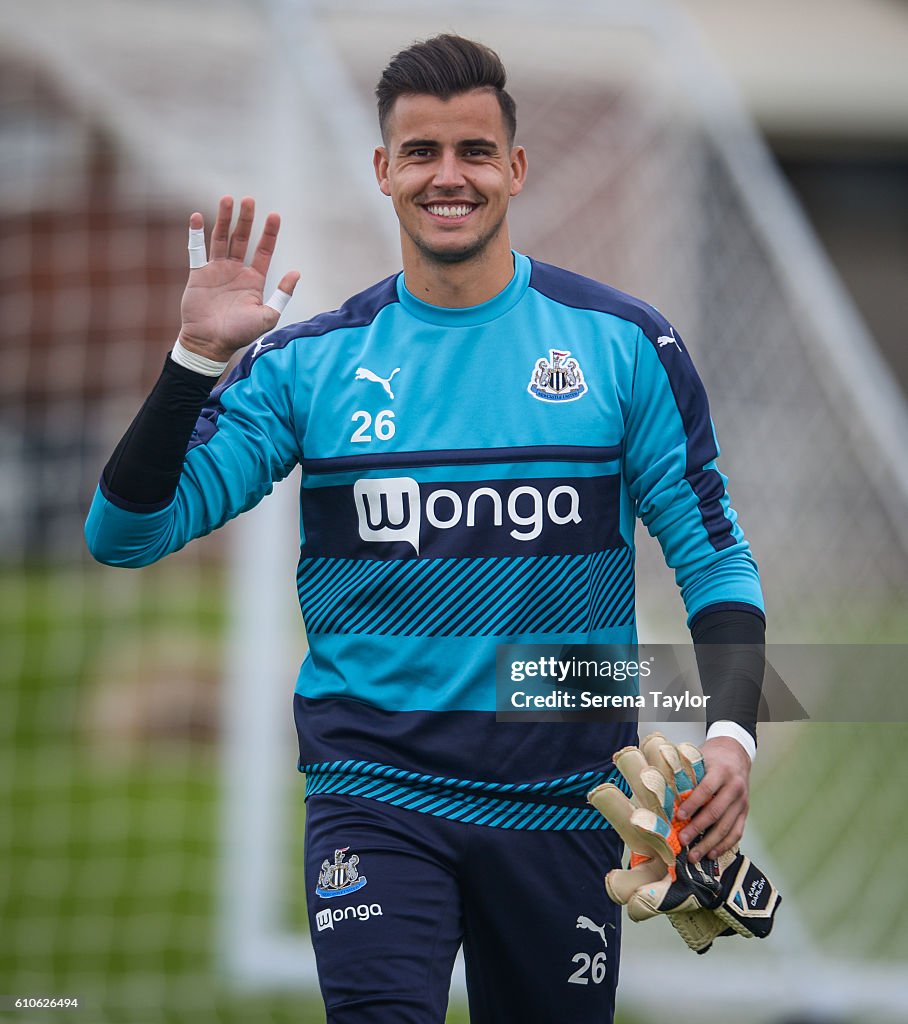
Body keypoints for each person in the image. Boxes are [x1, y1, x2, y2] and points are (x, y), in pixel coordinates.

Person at [85, 34, 766, 1024]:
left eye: (473, 151)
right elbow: (126, 533)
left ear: (515, 169)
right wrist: (194, 359)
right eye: (420, 153)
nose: (448, 176)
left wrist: (732, 736)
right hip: (376, 790)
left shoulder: (624, 345)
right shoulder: (308, 366)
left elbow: (713, 559)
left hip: (563, 802)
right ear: (382, 172)